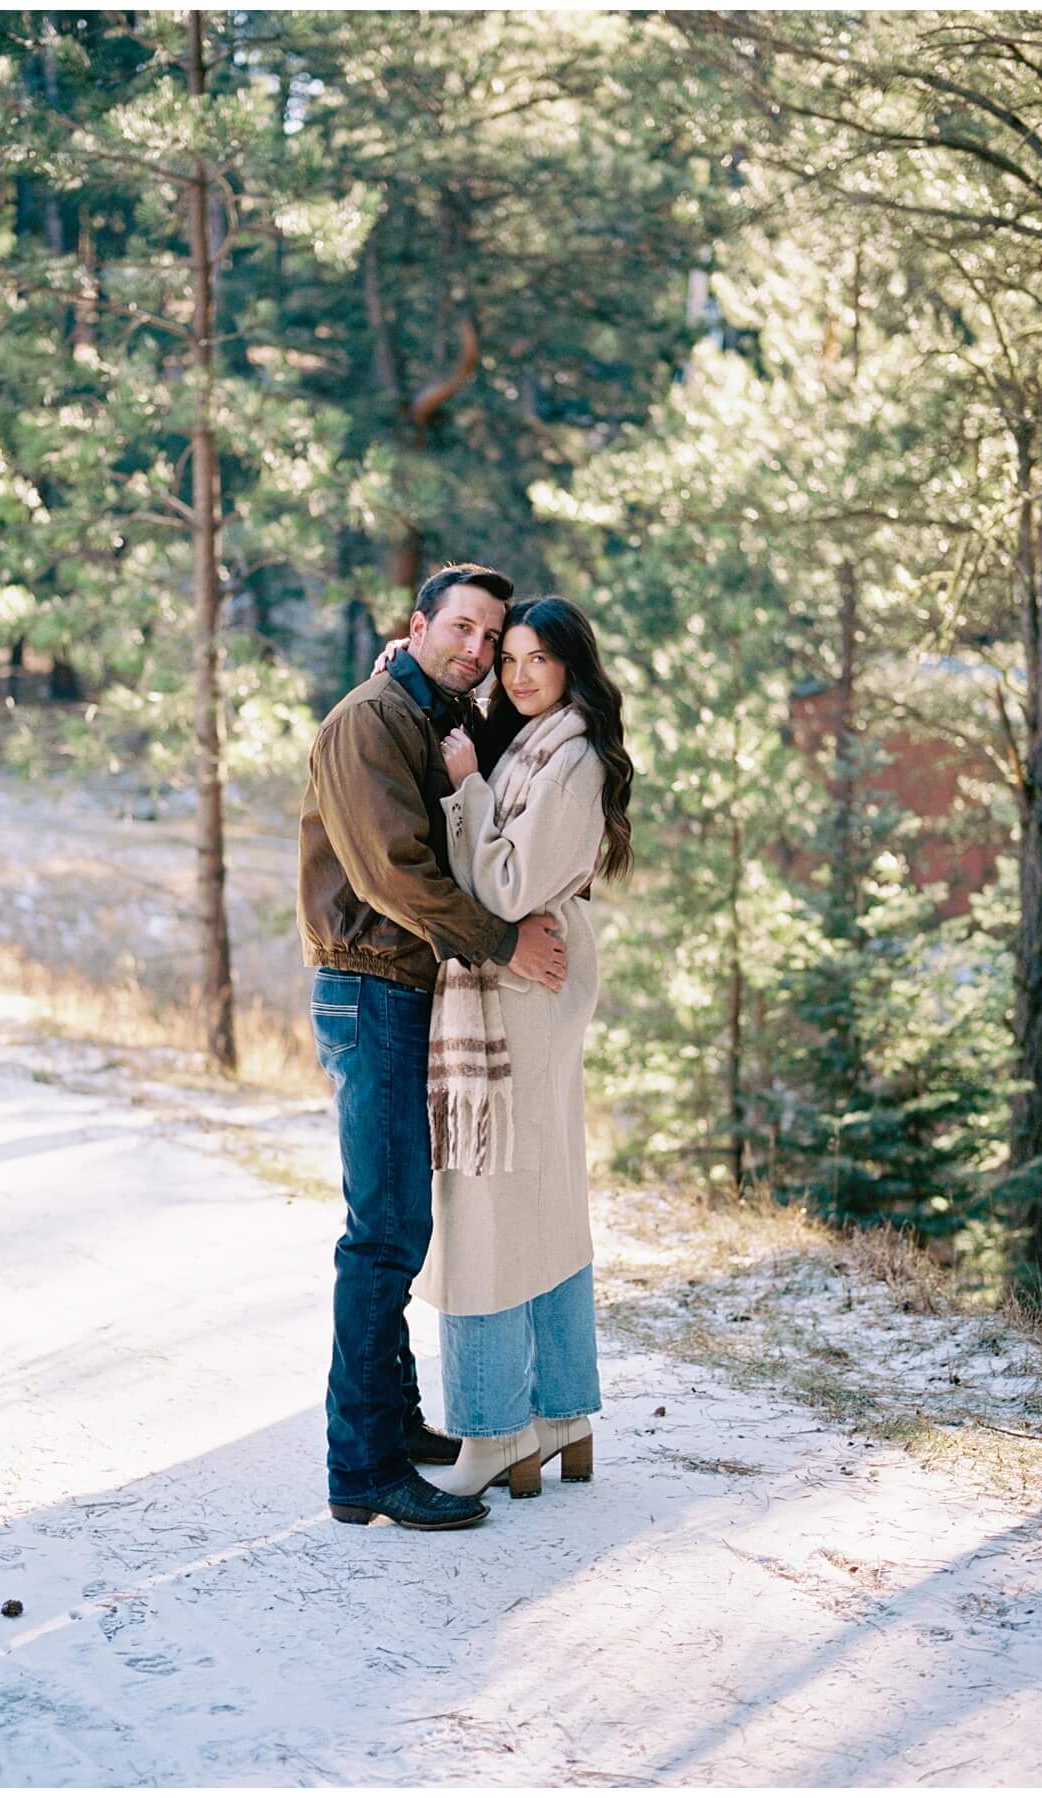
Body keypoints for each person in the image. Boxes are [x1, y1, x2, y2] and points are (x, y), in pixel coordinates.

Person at [298, 563, 569, 1531]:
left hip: (402, 990)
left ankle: (397, 1426)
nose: (476, 649)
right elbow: (393, 874)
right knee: (382, 1234)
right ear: (418, 625)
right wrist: (504, 940)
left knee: (399, 1224)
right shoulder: (369, 720)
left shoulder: (429, 715)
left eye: (489, 638)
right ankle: (361, 1467)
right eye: (459, 628)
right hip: (369, 987)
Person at [419, 596, 633, 1501]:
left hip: (522, 988)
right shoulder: (540, 747)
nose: (517, 674)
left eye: (538, 658)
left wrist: (466, 787)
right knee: (538, 1193)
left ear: (573, 666)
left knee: (484, 1205)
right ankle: (563, 1417)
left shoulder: (570, 759)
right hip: (526, 990)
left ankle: (492, 1430)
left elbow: (506, 889)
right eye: (508, 658)